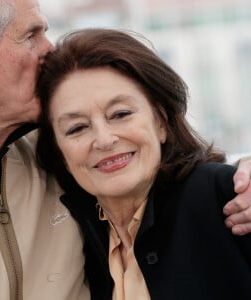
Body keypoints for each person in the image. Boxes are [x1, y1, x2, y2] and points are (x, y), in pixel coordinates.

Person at [36, 28, 251, 300]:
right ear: (59, 153)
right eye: (77, 128)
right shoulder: (79, 242)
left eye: (121, 114)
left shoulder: (229, 199)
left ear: (161, 121)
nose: (104, 139)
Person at [0, 1, 90, 299]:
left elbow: (164, 181)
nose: (50, 49)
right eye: (31, 36)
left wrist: (215, 194)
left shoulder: (69, 145)